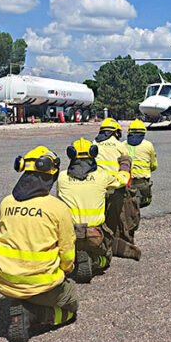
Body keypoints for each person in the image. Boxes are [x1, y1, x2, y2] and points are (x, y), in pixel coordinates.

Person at [0, 146, 77, 342]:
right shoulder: (57, 208)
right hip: (41, 282)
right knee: (71, 306)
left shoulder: (6, 202)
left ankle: (20, 301)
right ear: (50, 177)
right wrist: (66, 272)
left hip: (1, 279)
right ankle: (32, 314)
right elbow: (67, 253)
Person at [57, 138, 127, 282]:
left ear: (71, 155)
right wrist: (125, 164)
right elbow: (123, 180)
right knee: (106, 259)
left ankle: (74, 262)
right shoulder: (102, 176)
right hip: (96, 234)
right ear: (93, 154)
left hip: (70, 234)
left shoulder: (62, 178)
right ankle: (97, 262)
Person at [95, 118, 141, 260]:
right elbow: (127, 168)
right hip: (116, 187)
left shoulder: (93, 144)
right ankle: (121, 241)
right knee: (121, 216)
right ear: (116, 132)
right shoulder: (120, 146)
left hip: (98, 187)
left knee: (100, 217)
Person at [126, 119, 158, 208]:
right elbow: (154, 165)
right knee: (146, 201)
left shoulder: (123, 144)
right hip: (142, 182)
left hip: (126, 182)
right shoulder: (148, 145)